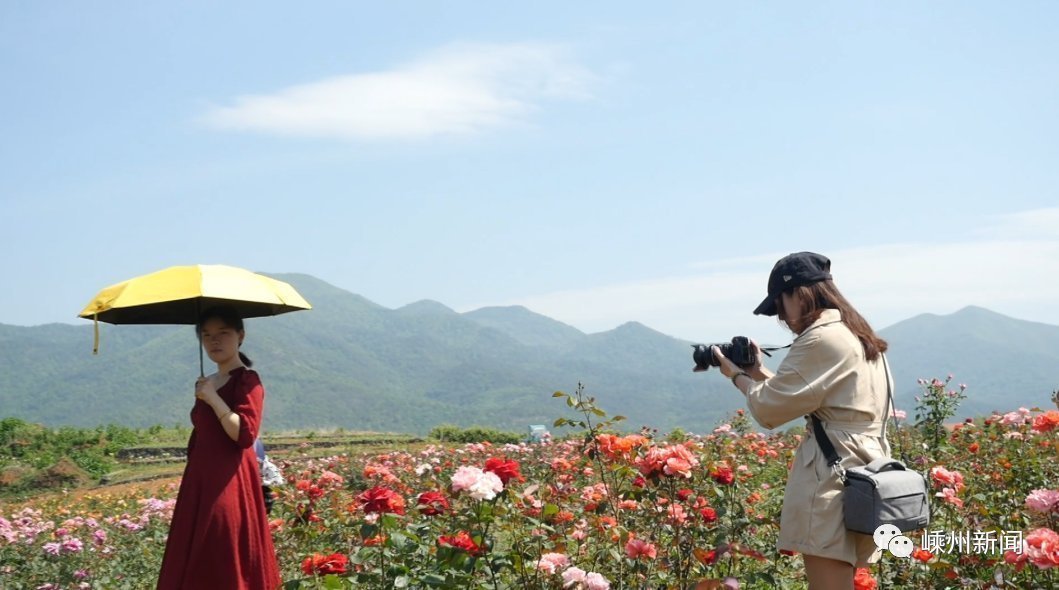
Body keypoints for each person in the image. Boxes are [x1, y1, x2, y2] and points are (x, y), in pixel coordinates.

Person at [710, 252, 891, 589]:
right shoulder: (855, 335)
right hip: (867, 473)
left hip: (833, 478)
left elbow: (768, 410)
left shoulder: (819, 339)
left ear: (797, 294)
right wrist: (756, 371)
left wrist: (735, 375)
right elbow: (809, 395)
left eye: (779, 305)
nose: (781, 317)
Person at [157, 306, 282, 590]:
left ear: (240, 336)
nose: (214, 341)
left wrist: (213, 399)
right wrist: (207, 394)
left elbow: (245, 435)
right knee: (196, 556)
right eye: (206, 335)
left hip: (230, 480)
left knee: (222, 549)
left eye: (222, 333)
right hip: (200, 480)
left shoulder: (248, 380)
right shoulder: (207, 382)